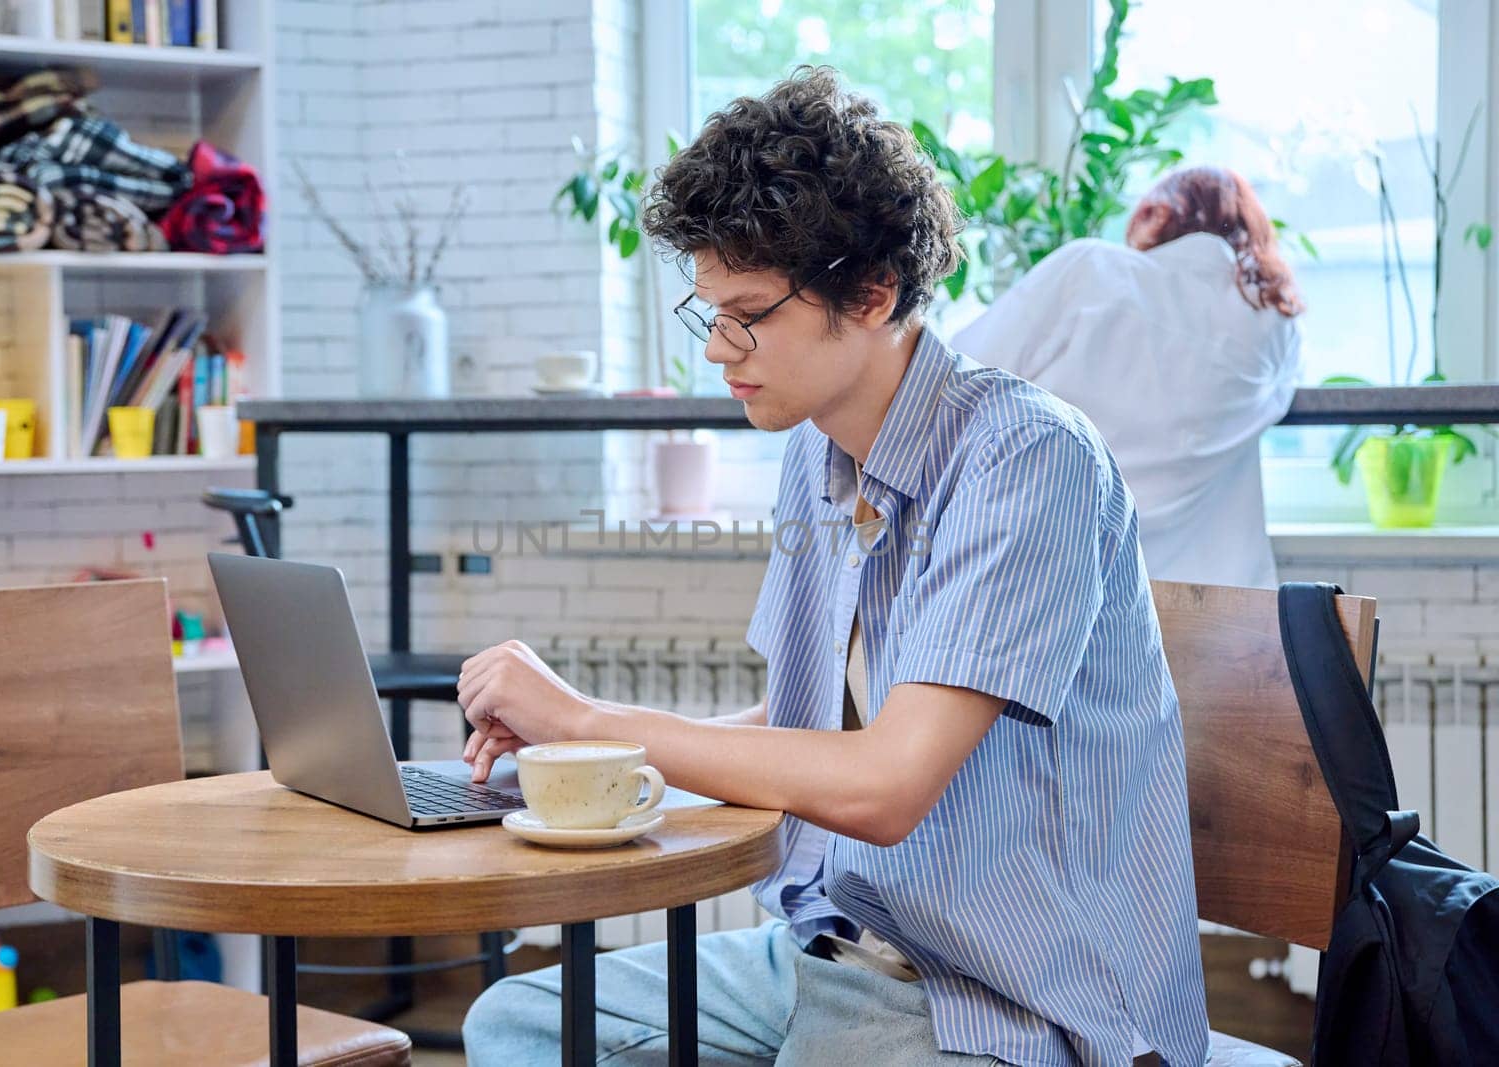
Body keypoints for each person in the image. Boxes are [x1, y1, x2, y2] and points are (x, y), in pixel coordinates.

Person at [458, 67, 1209, 1067]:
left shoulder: (1027, 458)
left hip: (1012, 993)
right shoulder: (815, 446)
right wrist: (573, 755)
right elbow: (798, 726)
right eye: (708, 311)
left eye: (750, 312)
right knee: (513, 1021)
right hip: (844, 947)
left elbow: (885, 785)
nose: (720, 350)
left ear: (870, 290)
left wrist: (593, 720)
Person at [951, 165, 1304, 588]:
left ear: (1155, 214)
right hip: (1212, 608)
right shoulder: (1275, 328)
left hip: (1055, 579)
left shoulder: (1092, 270)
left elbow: (955, 376)